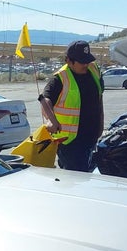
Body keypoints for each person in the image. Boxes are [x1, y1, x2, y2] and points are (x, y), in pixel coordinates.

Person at [38, 40, 104, 172]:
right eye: (81, 61)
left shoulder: (94, 70)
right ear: (68, 60)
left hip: (91, 137)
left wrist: (101, 124)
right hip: (70, 143)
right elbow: (45, 100)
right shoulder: (60, 78)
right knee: (74, 180)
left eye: (87, 60)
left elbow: (99, 98)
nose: (86, 64)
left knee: (88, 177)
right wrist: (51, 120)